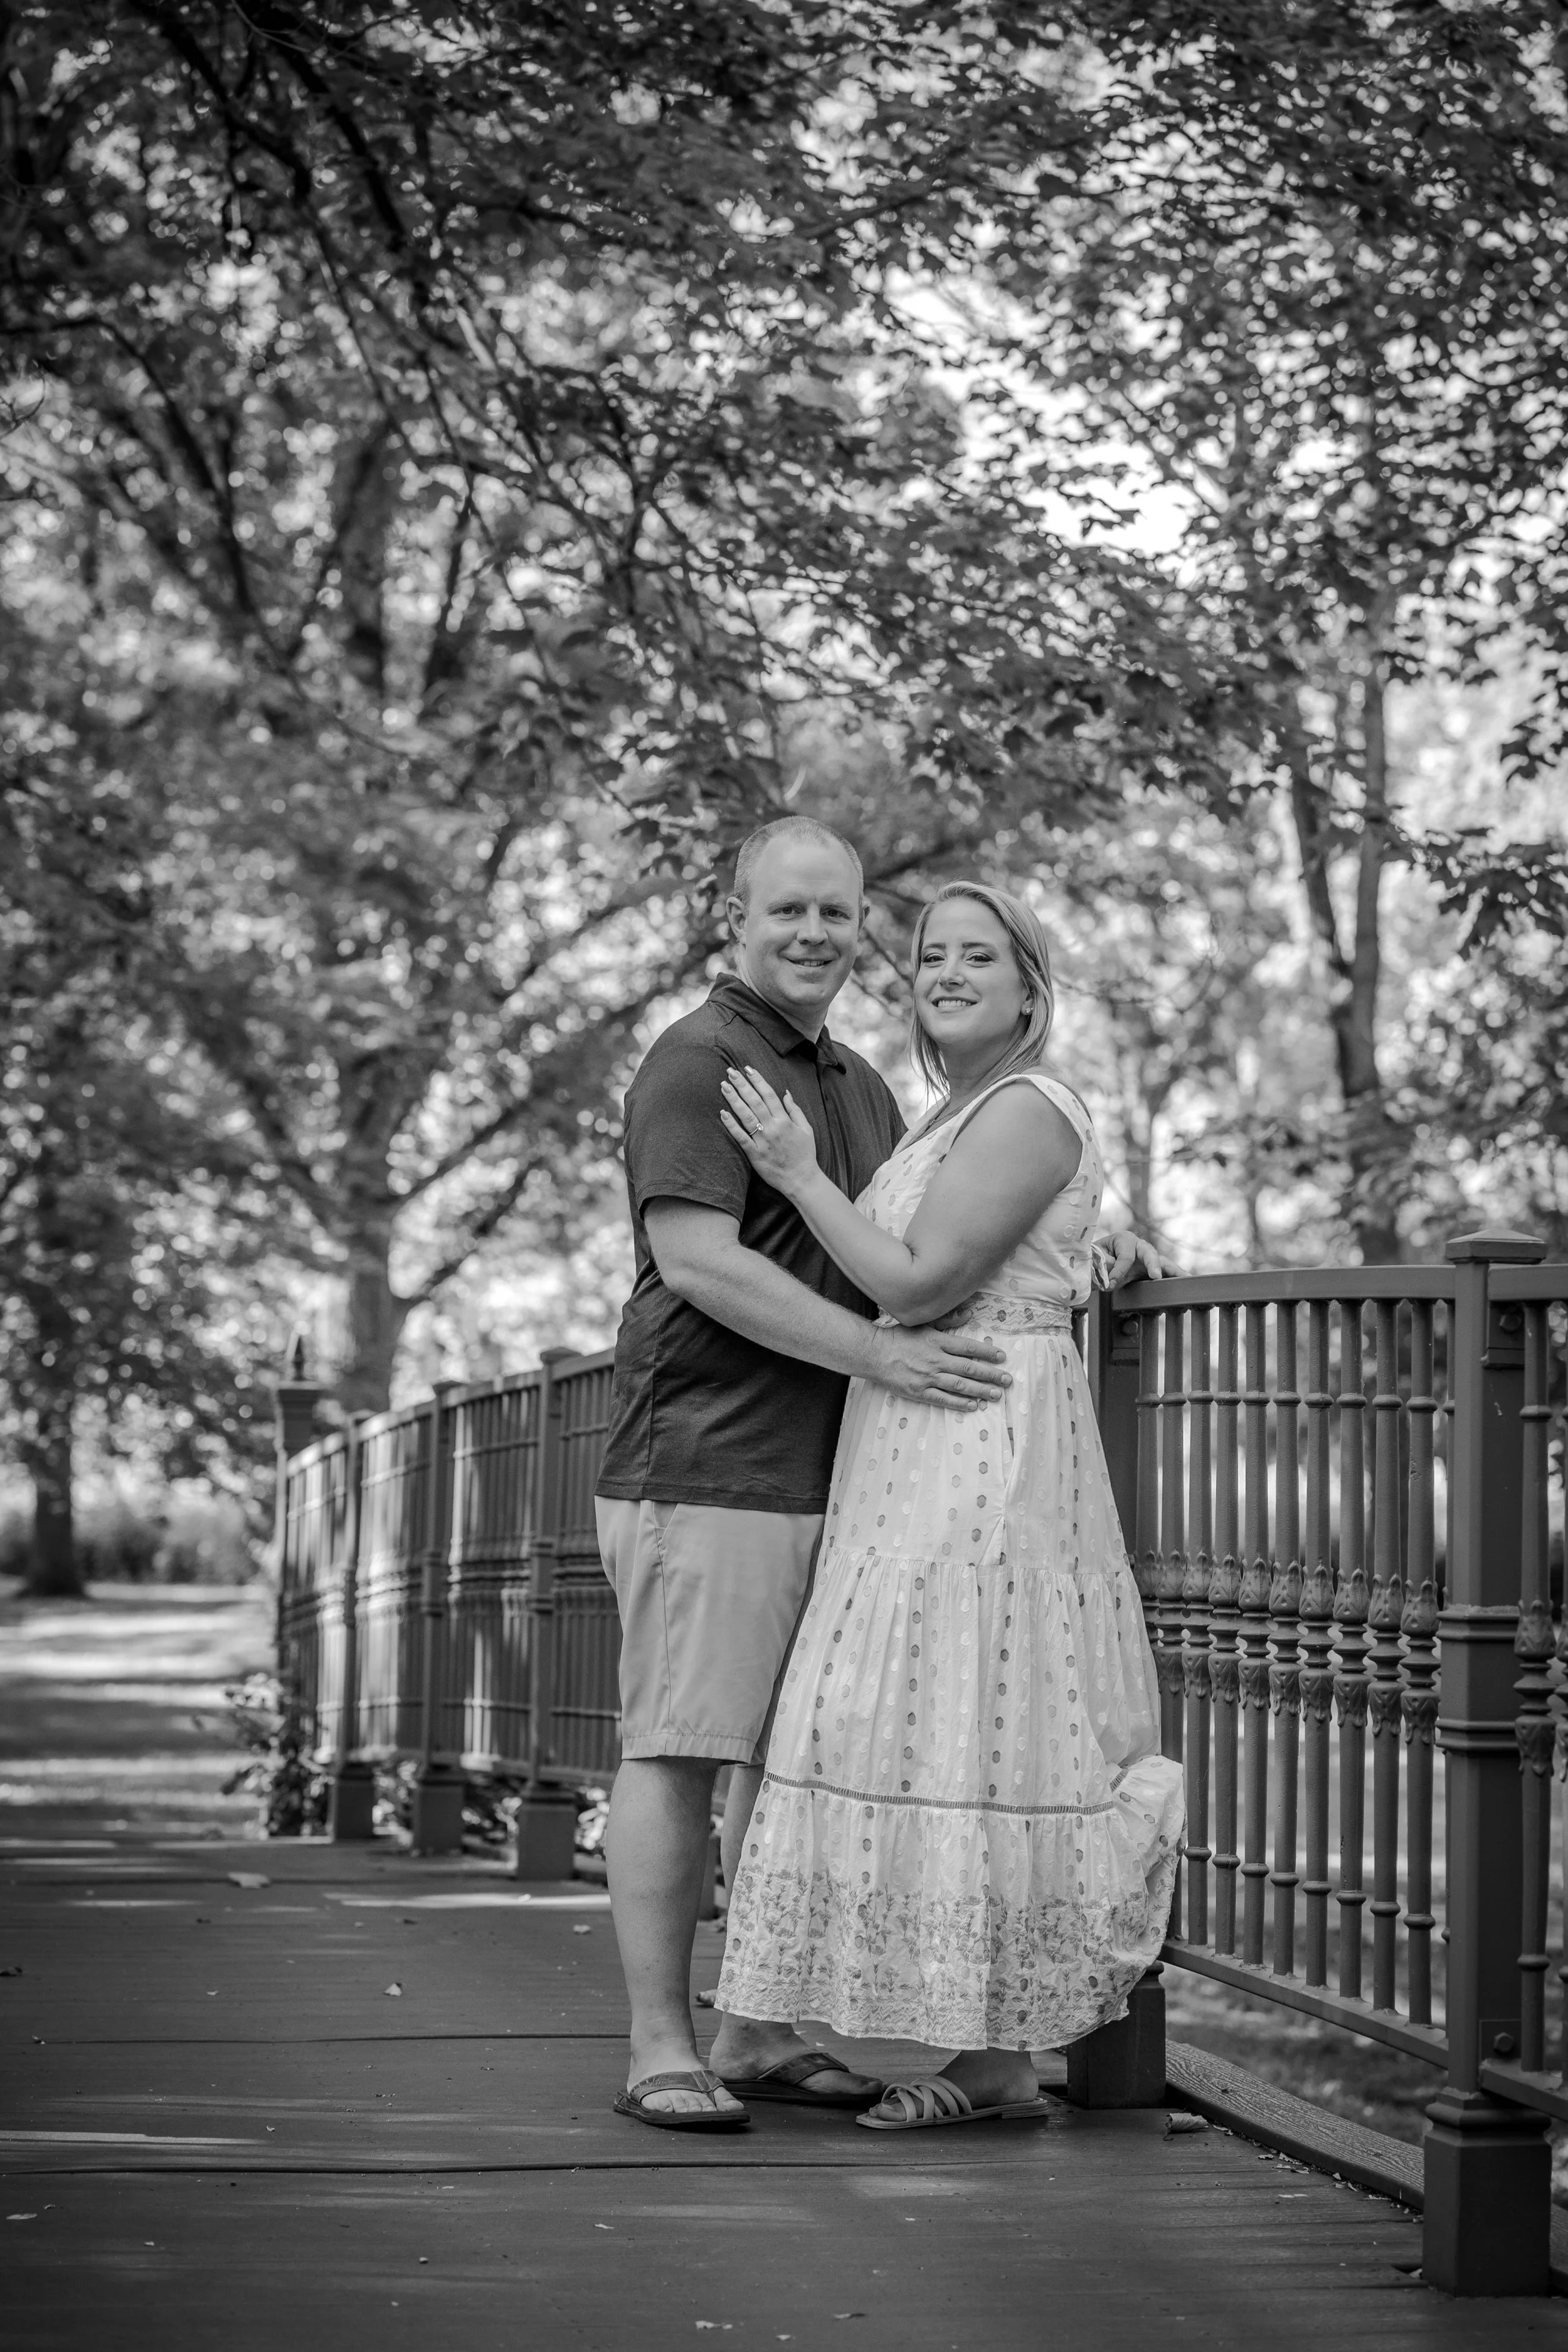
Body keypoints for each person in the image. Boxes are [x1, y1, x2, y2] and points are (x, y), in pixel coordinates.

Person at [593, 821, 1153, 2129]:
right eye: (784, 910)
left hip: (850, 1474)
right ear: (731, 915)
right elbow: (699, 1264)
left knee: (782, 1754)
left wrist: (1092, 1248)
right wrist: (879, 1358)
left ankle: (755, 2031)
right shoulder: (699, 1061)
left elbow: (936, 1231)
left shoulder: (856, 1082)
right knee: (681, 1748)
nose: (812, 935)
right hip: (716, 1458)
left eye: (836, 915)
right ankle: (659, 2046)